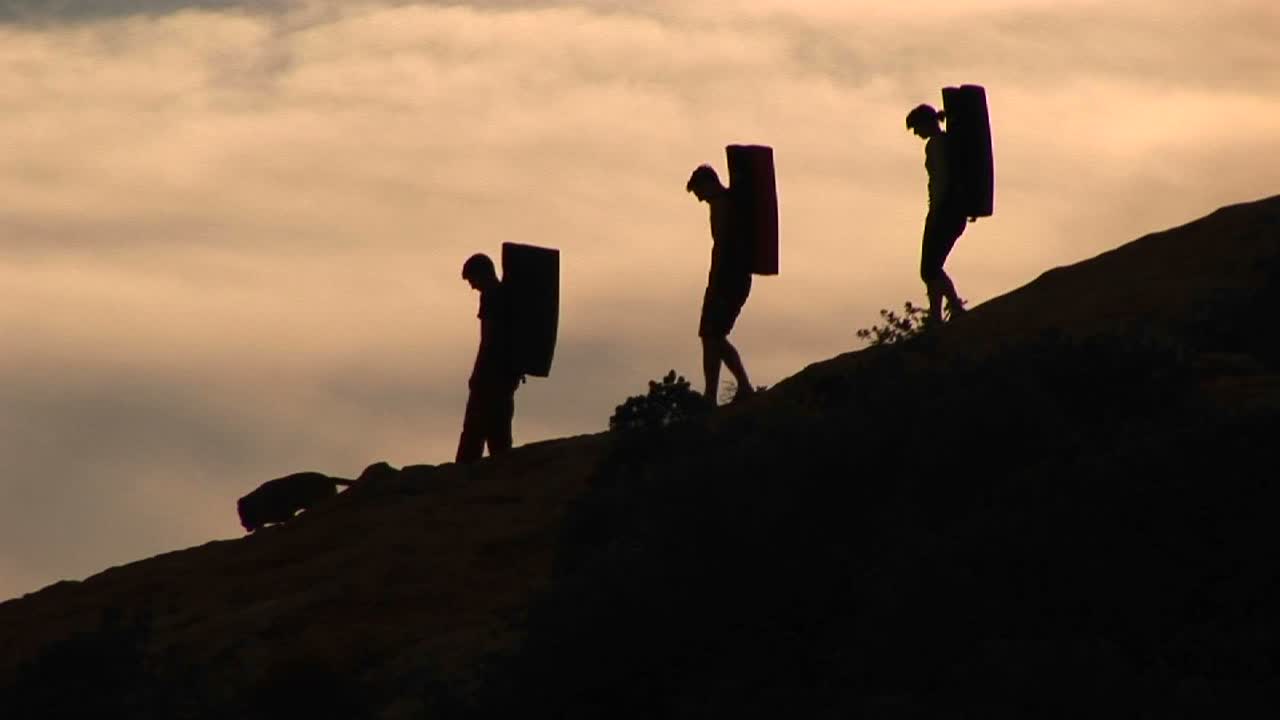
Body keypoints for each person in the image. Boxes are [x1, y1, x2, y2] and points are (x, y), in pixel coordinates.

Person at [687, 164, 754, 405]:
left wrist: (715, 279)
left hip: (728, 278)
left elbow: (723, 245)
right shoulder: (723, 204)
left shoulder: (723, 205)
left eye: (698, 192)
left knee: (712, 333)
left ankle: (722, 392)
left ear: (707, 183)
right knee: (712, 335)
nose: (699, 199)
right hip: (729, 278)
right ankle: (723, 391)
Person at [456, 253, 522, 463]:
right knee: (499, 431)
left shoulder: (491, 296)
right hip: (507, 374)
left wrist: (476, 374)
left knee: (474, 430)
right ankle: (502, 472)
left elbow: (487, 339)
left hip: (490, 374)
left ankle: (461, 478)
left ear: (482, 274)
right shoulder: (509, 295)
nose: (472, 287)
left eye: (472, 280)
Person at [906, 103, 969, 325]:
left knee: (930, 268)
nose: (916, 133)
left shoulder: (936, 145)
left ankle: (949, 309)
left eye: (916, 127)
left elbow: (941, 180)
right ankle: (940, 313)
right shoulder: (947, 143)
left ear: (926, 122)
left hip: (944, 212)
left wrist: (935, 211)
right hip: (954, 212)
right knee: (932, 267)